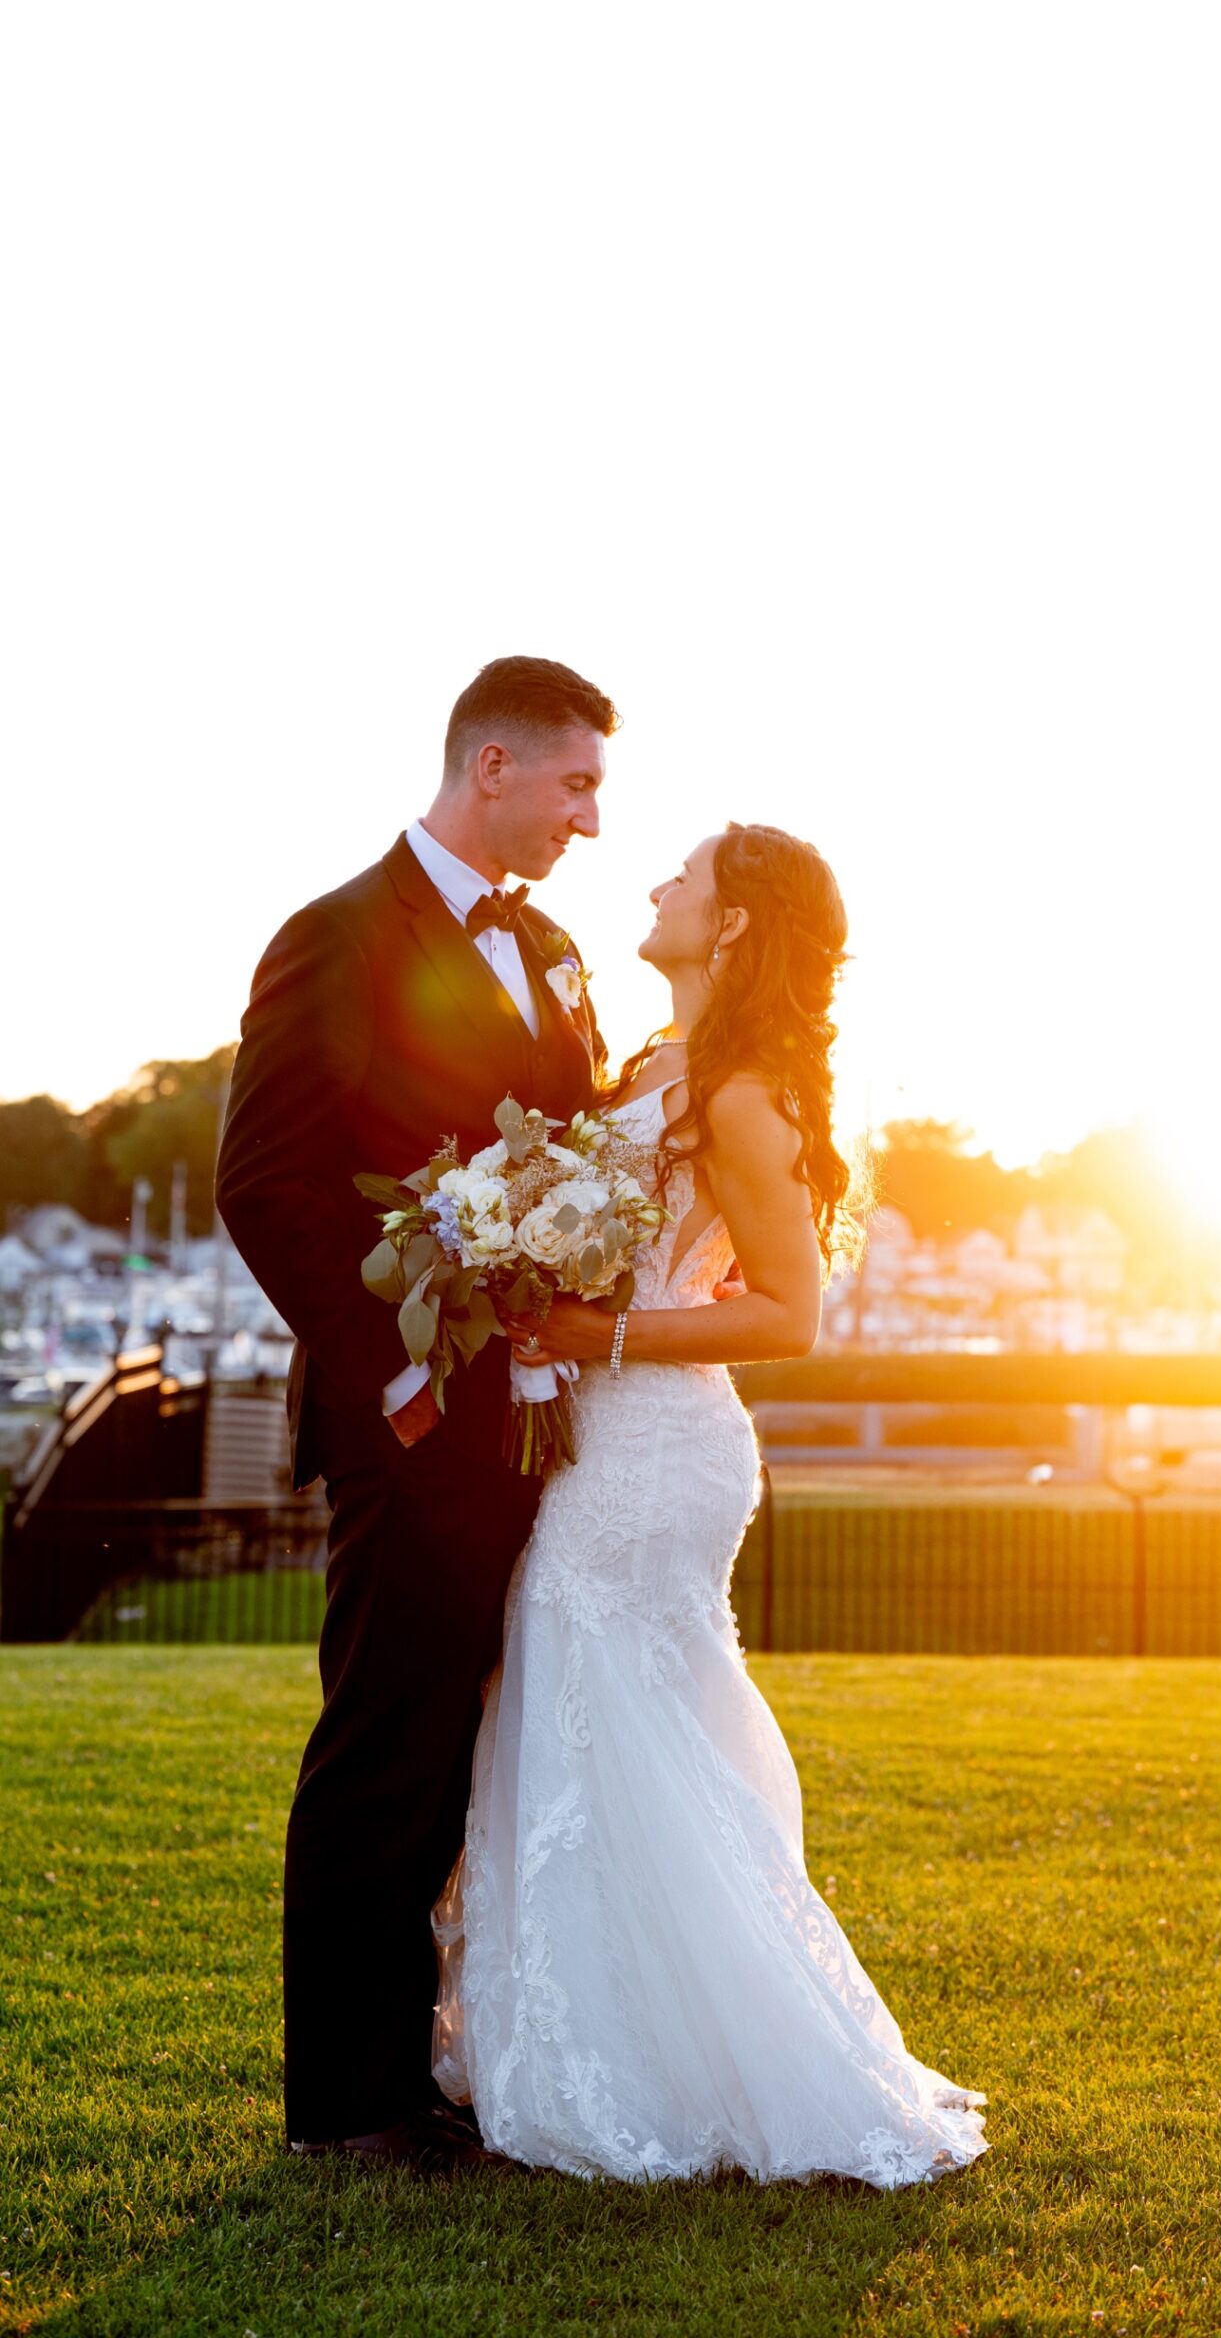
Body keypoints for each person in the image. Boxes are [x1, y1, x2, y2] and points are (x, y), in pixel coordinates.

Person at [431, 823, 987, 2184]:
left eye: (682, 879)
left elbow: (789, 1315)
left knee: (591, 1691)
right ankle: (602, 2034)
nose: (655, 887)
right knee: (589, 1705)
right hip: (599, 1428)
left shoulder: (744, 1092)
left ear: (733, 925)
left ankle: (664, 2062)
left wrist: (594, 1336)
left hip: (658, 1447)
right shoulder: (655, 1070)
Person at [216, 655, 615, 2170]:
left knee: (491, 1737)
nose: (591, 818)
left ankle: (454, 2053)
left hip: (534, 1414)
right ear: (491, 766)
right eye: (575, 783)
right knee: (390, 1739)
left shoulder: (561, 948)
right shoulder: (333, 936)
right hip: (412, 1416)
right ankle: (350, 2103)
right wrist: (396, 1371)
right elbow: (269, 1184)